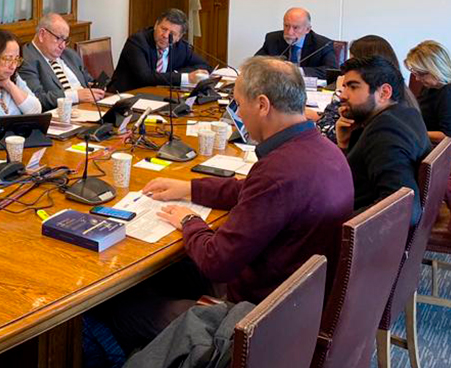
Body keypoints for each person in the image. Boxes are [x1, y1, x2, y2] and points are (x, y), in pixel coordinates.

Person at [86, 57, 353, 360]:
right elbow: (249, 191)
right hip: (293, 306)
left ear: (263, 105)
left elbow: (217, 262)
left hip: (254, 323)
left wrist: (189, 220)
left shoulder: (279, 171)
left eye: (239, 104)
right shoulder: (322, 149)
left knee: (119, 307)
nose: (237, 114)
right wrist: (190, 188)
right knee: (170, 271)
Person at [335, 56, 430, 225]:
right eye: (344, 87)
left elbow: (406, 208)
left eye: (353, 87)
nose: (343, 95)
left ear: (384, 93)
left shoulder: (385, 132)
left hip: (353, 234)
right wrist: (344, 144)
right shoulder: (406, 114)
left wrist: (337, 226)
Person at [308, 34, 419, 142]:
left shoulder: (383, 128)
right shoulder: (405, 102)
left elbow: (325, 131)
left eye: (353, 87)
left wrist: (339, 92)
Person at [107, 8, 210, 92]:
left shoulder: (181, 47)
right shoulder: (137, 42)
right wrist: (185, 78)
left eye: (172, 34)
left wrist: (176, 73)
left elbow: (205, 66)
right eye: (163, 29)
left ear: (179, 37)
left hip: (159, 96)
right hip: (128, 96)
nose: (165, 36)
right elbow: (145, 77)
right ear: (156, 25)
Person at [19, 13, 105, 110]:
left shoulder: (70, 54)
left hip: (88, 108)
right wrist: (76, 96)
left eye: (65, 40)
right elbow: (37, 99)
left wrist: (97, 88)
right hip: (63, 115)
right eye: (59, 38)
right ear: (42, 35)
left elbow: (88, 81)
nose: (63, 46)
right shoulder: (26, 60)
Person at [404, 40, 451, 144]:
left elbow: (450, 137)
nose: (416, 78)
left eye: (421, 74)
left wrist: (412, 132)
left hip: (431, 150)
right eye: (415, 73)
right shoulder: (433, 86)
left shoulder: (450, 94)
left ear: (437, 69)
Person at [254, 7, 337, 79]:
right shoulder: (273, 39)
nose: (289, 32)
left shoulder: (323, 44)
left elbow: (332, 71)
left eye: (295, 28)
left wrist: (297, 71)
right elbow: (255, 63)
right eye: (286, 26)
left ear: (307, 29)